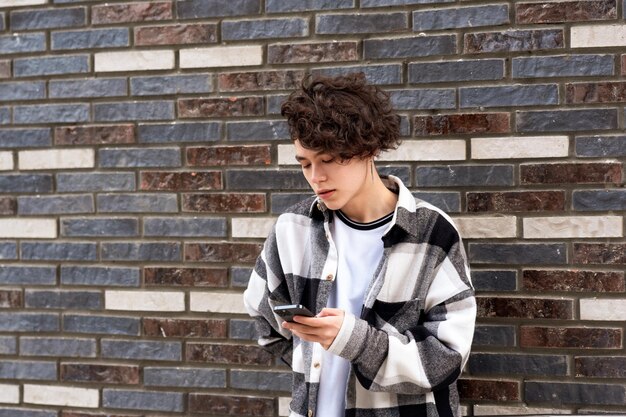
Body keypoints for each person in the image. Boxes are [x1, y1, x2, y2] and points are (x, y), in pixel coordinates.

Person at [243, 72, 476, 417]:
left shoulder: (430, 232)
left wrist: (353, 341)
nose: (315, 176)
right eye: (305, 163)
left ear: (367, 149)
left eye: (327, 159)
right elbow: (265, 320)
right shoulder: (292, 229)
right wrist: (313, 362)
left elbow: (447, 359)